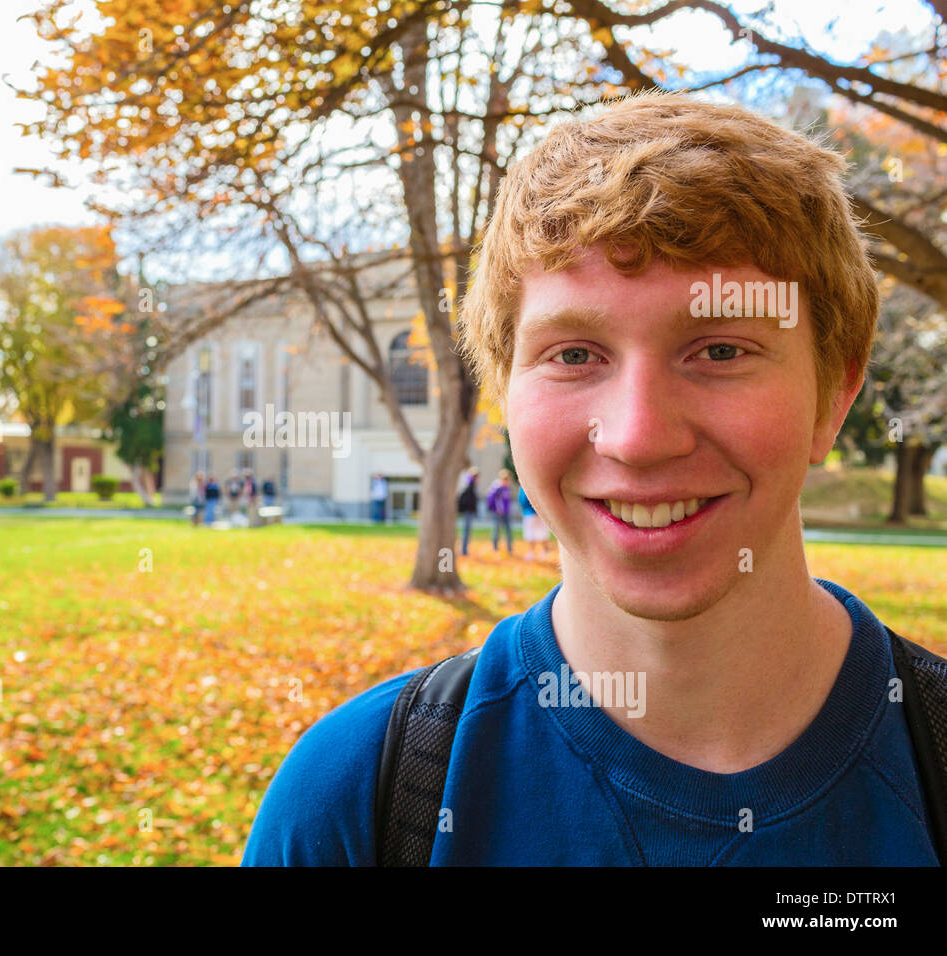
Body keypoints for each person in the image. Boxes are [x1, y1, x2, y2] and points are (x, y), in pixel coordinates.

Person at [242, 91, 943, 865]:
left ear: (834, 395)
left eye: (719, 352)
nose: (638, 438)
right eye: (575, 355)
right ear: (505, 392)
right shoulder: (355, 800)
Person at [518, 482, 552, 562]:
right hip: (535, 513)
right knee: (539, 533)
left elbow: (522, 501)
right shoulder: (533, 485)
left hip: (532, 514)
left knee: (534, 533)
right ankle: (540, 551)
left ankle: (535, 552)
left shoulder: (525, 486)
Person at [486, 469, 514, 554]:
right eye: (506, 480)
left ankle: (509, 548)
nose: (507, 482)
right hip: (498, 513)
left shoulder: (507, 488)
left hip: (506, 512)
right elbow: (491, 500)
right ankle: (495, 547)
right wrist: (495, 509)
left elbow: (507, 501)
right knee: (497, 530)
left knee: (508, 530)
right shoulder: (496, 488)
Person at [456, 467, 479, 556]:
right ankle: (463, 550)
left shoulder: (471, 485)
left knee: (466, 531)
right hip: (468, 511)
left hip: (469, 511)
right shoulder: (469, 485)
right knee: (466, 531)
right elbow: (466, 500)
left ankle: (464, 549)